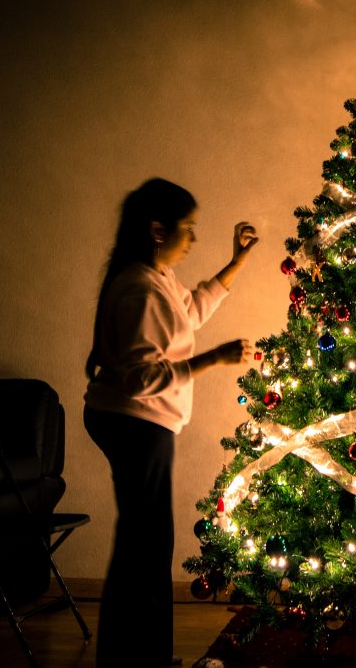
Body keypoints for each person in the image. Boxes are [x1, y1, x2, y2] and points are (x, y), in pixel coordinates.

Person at [83, 177, 258, 667]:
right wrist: (212, 359)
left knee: (144, 543)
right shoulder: (139, 288)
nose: (194, 238)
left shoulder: (157, 276)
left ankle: (136, 657)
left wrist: (237, 262)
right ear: (158, 231)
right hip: (135, 423)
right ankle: (138, 659)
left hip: (140, 423)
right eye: (188, 228)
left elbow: (190, 310)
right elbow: (142, 379)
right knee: (145, 548)